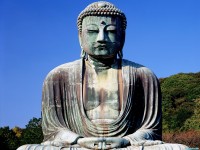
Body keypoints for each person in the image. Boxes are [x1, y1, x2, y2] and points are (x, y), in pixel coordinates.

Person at [18, 1, 188, 150]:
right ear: (80, 36)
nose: (101, 38)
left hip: (128, 145)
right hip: (78, 146)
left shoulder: (143, 75)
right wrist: (80, 140)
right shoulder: (58, 76)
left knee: (178, 148)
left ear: (123, 36)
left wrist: (125, 141)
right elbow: (53, 130)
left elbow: (151, 130)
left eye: (111, 31)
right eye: (92, 31)